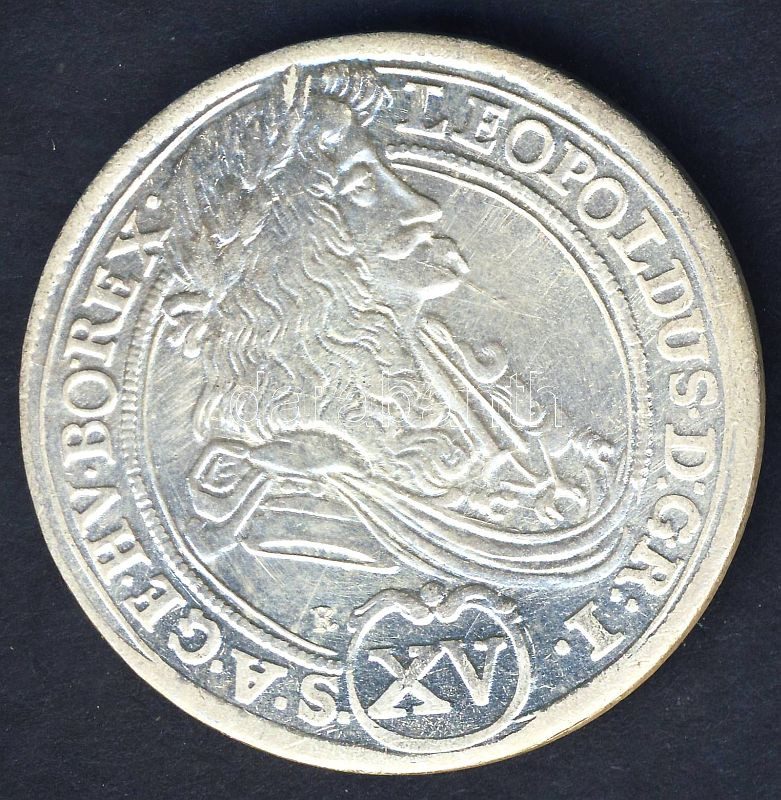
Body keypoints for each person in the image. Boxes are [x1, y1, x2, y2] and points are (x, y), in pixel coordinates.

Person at [162, 64, 622, 585]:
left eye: (386, 175)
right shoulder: (291, 496)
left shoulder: (436, 358)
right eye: (362, 185)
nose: (421, 206)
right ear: (295, 253)